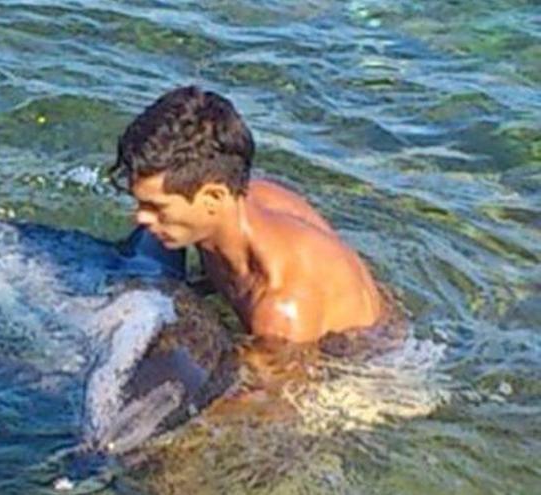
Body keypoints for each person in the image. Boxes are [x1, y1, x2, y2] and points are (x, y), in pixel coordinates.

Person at [110, 86, 385, 345]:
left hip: (358, 369)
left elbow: (266, 394)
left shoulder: (280, 311)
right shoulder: (238, 201)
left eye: (156, 207)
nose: (141, 218)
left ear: (213, 198)